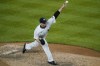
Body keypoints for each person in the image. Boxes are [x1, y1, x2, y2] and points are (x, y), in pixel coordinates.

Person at [22, 1, 68, 65]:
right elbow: (35, 38)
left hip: (42, 37)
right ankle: (50, 60)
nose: (45, 23)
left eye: (45, 22)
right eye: (43, 23)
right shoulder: (37, 30)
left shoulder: (48, 22)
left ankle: (26, 46)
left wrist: (62, 7)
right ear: (40, 23)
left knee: (35, 44)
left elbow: (56, 15)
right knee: (45, 46)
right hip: (39, 38)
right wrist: (41, 41)